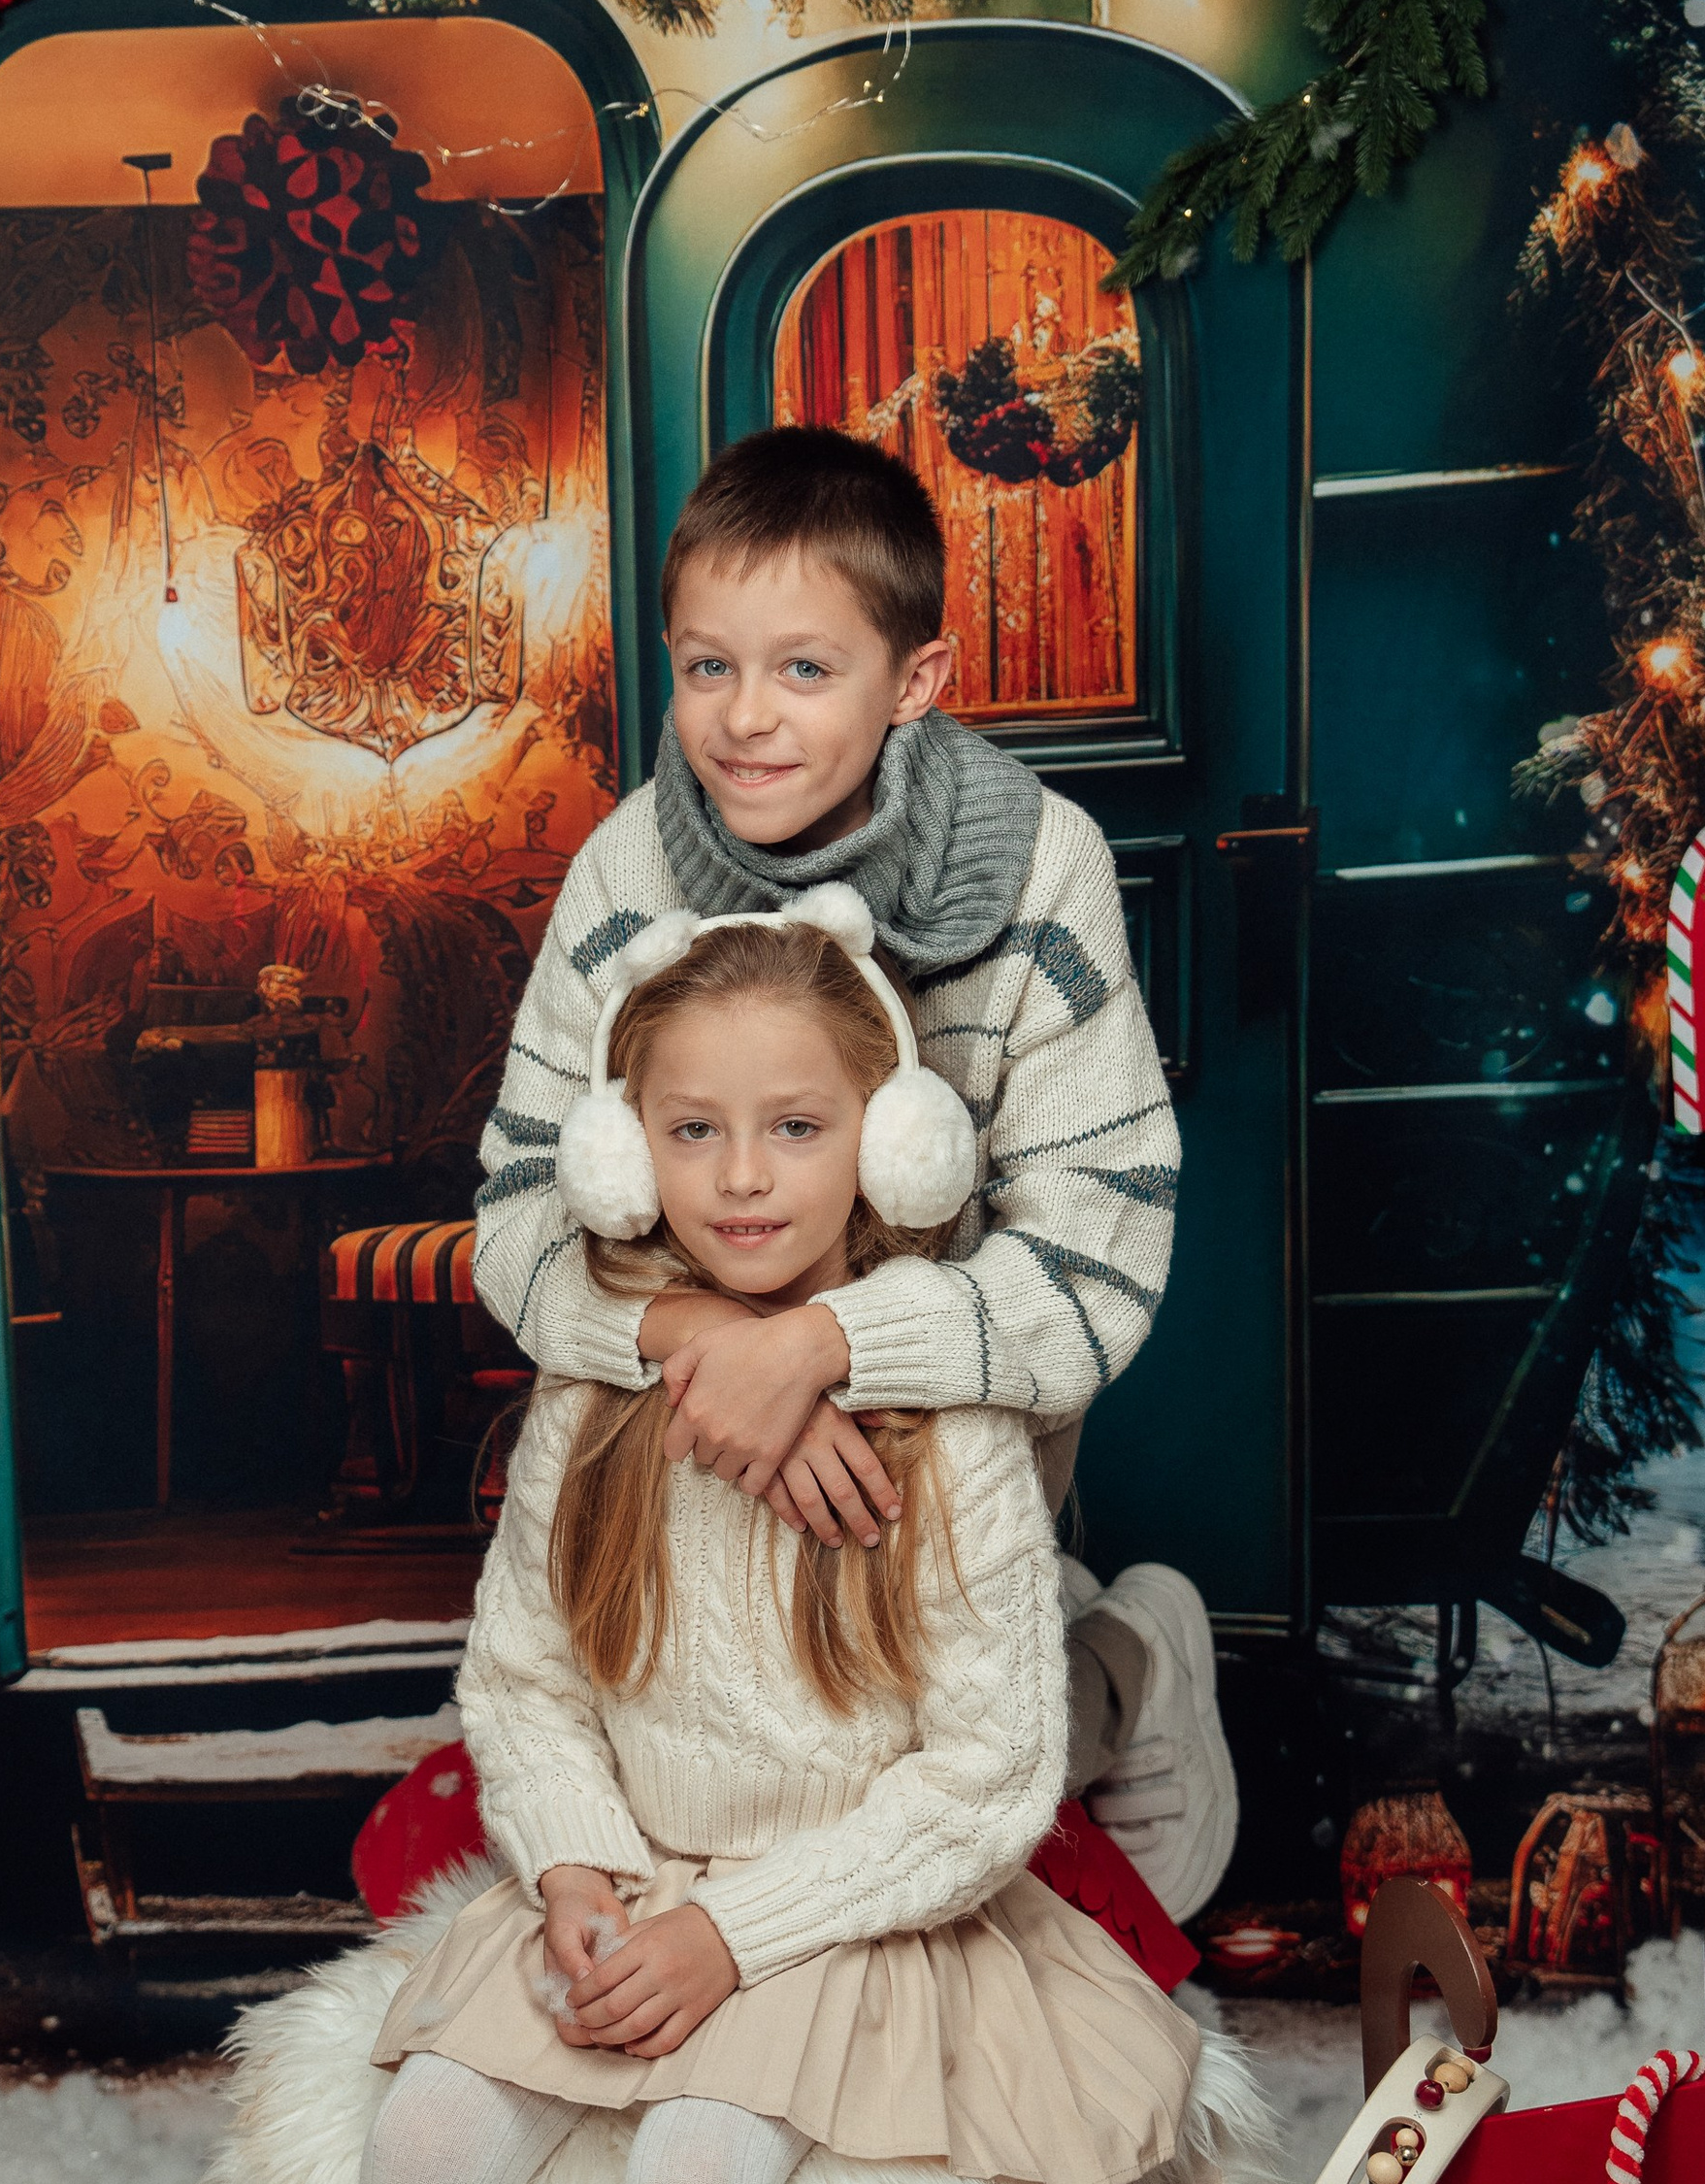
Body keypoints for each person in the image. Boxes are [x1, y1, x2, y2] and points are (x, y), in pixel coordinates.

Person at [342, 902, 1216, 2184]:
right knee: (416, 2158)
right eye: (694, 1129)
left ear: (894, 1146)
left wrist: (734, 1937)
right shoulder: (589, 1393)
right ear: (624, 1155)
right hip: (634, 1875)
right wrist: (573, 1873)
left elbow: (993, 1779)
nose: (743, 1177)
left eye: (796, 1127)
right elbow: (525, 1686)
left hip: (841, 1915)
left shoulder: (952, 1425)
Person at [473, 424, 1231, 1922]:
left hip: (941, 1399)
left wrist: (830, 1349)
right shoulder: (625, 875)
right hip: (687, 1400)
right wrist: (706, 1343)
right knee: (717, 1730)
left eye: (805, 671)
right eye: (707, 669)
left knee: (926, 1725)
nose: (746, 721)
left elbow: (1098, 1260)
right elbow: (512, 1223)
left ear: (918, 683)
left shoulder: (1041, 871)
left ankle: (1128, 1670)